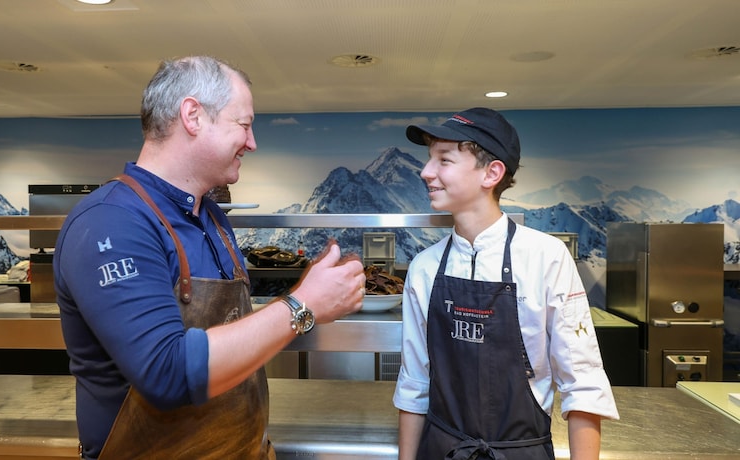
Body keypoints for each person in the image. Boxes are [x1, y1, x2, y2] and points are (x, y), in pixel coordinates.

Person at [53, 55, 366, 460]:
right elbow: (166, 373)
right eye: (244, 124)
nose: (252, 143)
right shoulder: (111, 221)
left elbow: (233, 336)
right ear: (193, 116)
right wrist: (302, 305)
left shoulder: (212, 217)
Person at [393, 108, 619, 460]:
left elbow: (583, 384)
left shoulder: (547, 257)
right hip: (441, 450)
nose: (426, 172)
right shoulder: (424, 268)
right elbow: (414, 384)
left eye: (444, 160)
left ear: (491, 173)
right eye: (428, 159)